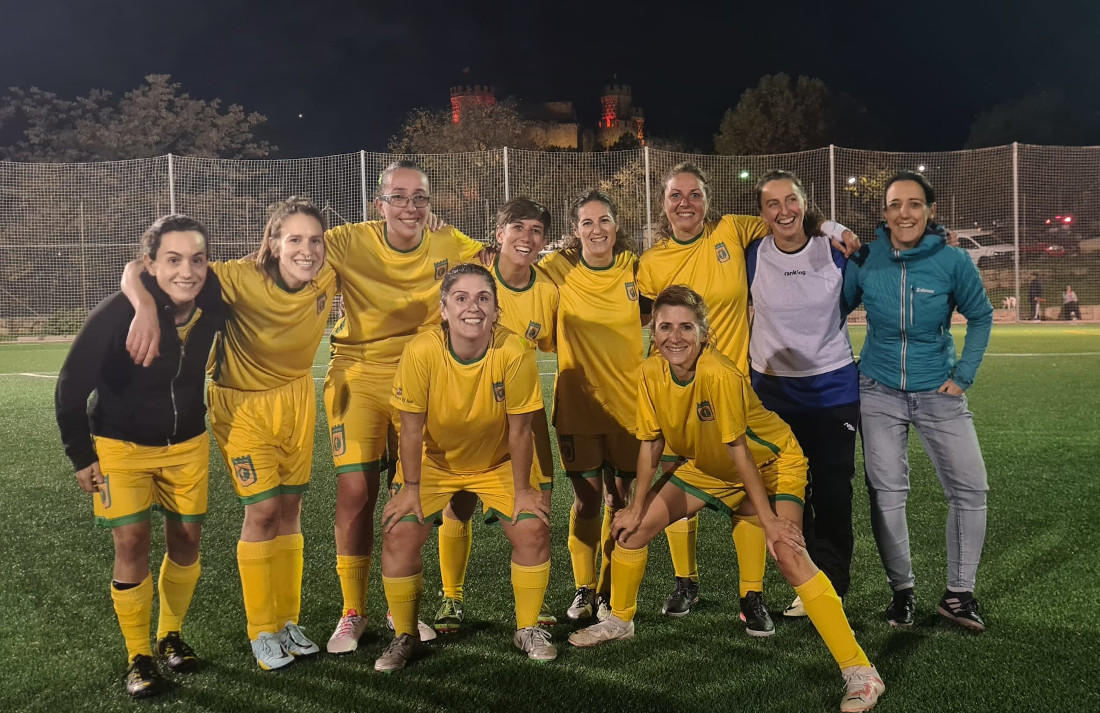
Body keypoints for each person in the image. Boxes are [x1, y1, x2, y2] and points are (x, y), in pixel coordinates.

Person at [568, 285, 885, 713]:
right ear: (653, 332)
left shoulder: (719, 373)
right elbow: (650, 443)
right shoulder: (649, 373)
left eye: (685, 327)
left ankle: (860, 672)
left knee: (787, 553)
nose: (674, 337)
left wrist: (772, 522)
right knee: (631, 530)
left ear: (703, 333)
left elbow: (740, 450)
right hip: (708, 465)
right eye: (665, 327)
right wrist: (636, 504)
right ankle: (620, 621)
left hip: (772, 463)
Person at [636, 162, 858, 633]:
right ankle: (685, 580)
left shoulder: (733, 231)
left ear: (707, 201)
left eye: (695, 194)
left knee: (746, 495)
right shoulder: (651, 262)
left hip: (741, 388)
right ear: (663, 202)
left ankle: (751, 594)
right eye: (676, 195)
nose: (685, 203)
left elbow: (795, 218)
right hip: (684, 389)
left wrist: (836, 225)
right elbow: (650, 325)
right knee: (678, 472)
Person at [122, 198, 336, 669]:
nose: (307, 250)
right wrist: (141, 307)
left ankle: (286, 622)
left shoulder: (328, 268)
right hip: (242, 404)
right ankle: (261, 630)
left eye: (315, 240)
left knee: (290, 508)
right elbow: (139, 268)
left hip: (297, 399)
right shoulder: (239, 277)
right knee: (262, 510)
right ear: (274, 242)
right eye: (295, 239)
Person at [321, 160, 489, 653]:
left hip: (422, 377)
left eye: (420, 198)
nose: (410, 207)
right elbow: (284, 251)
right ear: (379, 204)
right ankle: (353, 610)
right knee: (356, 491)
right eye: (399, 196)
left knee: (411, 495)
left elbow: (501, 262)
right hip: (358, 374)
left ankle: (401, 605)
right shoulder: (348, 240)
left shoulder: (448, 240)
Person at [55, 215, 224, 698]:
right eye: (172, 260)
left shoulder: (211, 301)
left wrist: (147, 298)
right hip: (119, 448)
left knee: (187, 542)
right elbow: (70, 387)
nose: (186, 271)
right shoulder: (114, 314)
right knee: (130, 546)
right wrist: (80, 455)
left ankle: (171, 635)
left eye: (196, 259)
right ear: (150, 263)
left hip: (188, 445)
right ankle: (139, 657)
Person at [374, 264, 554, 671]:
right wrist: (411, 488)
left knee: (533, 526)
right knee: (399, 532)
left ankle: (527, 627)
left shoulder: (513, 352)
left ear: (496, 312)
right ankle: (404, 634)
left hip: (497, 462)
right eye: (461, 298)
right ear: (443, 310)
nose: (472, 307)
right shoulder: (422, 350)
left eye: (483, 298)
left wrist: (525, 489)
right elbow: (410, 427)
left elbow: (521, 428)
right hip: (432, 463)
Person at [842, 170, 993, 633]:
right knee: (887, 496)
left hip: (938, 391)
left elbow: (982, 316)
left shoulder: (953, 262)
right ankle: (902, 592)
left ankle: (958, 595)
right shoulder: (866, 260)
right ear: (884, 214)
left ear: (929, 212)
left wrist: (963, 376)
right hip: (878, 391)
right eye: (894, 205)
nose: (903, 213)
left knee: (971, 490)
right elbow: (834, 314)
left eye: (913, 204)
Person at [430, 198, 559, 633]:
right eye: (517, 228)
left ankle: (532, 606)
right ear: (499, 233)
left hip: (524, 409)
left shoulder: (547, 291)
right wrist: (430, 219)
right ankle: (451, 597)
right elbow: (436, 239)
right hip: (466, 407)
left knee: (538, 500)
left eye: (536, 230)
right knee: (458, 502)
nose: (526, 238)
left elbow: (551, 345)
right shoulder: (473, 270)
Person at [747, 170, 860, 618]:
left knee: (833, 492)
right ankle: (804, 580)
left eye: (790, 200)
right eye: (772, 204)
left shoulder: (833, 252)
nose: (783, 211)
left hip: (832, 388)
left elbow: (869, 275)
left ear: (804, 203)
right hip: (772, 394)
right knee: (789, 493)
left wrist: (833, 227)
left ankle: (830, 587)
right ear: (762, 214)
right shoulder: (752, 254)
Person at [539, 190, 643, 624]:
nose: (596, 230)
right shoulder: (555, 269)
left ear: (617, 226)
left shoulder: (637, 268)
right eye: (586, 223)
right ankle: (583, 588)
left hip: (630, 409)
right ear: (574, 230)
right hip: (578, 407)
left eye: (603, 221)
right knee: (586, 500)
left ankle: (605, 590)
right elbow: (506, 266)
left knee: (621, 500)